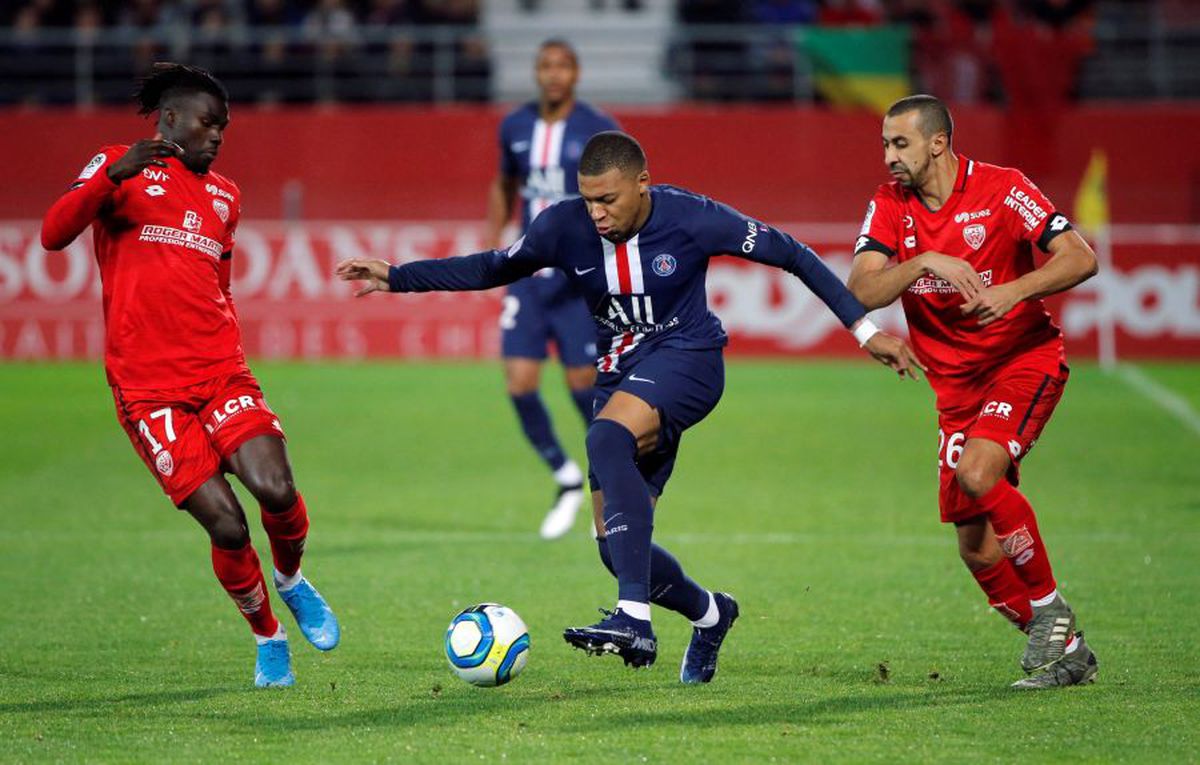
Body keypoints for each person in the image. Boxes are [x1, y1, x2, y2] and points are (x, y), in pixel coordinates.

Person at [337, 130, 921, 682]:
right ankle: (711, 614)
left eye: (608, 199)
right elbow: (494, 266)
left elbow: (792, 253)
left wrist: (866, 333)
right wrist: (398, 276)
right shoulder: (561, 227)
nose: (597, 212)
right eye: (588, 199)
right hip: (619, 378)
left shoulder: (694, 217)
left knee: (604, 439)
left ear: (643, 183)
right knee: (616, 552)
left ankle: (633, 621)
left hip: (689, 358)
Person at [40, 63, 339, 689]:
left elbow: (219, 284)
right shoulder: (115, 165)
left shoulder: (225, 195)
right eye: (209, 123)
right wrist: (110, 180)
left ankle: (290, 579)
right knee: (227, 524)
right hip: (148, 389)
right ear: (170, 119)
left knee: (276, 488)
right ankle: (268, 639)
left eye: (224, 127)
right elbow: (52, 233)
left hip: (221, 371)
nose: (218, 136)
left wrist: (222, 345)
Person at [846, 94, 1100, 690]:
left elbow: (1080, 257)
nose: (888, 156)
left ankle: (1051, 611)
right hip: (954, 388)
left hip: (1021, 360)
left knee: (979, 473)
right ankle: (1071, 653)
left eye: (900, 143)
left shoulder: (1003, 188)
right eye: (884, 144)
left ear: (937, 142)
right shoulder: (890, 206)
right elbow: (861, 290)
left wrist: (1016, 290)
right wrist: (922, 261)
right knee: (978, 550)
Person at [486, 39, 618, 540]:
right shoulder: (515, 126)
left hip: (578, 279)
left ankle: (605, 478)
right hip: (526, 275)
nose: (553, 74)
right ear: (537, 73)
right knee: (519, 381)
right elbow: (503, 184)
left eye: (562, 65)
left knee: (583, 386)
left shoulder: (596, 128)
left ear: (576, 73)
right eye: (545, 66)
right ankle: (565, 477)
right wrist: (491, 242)